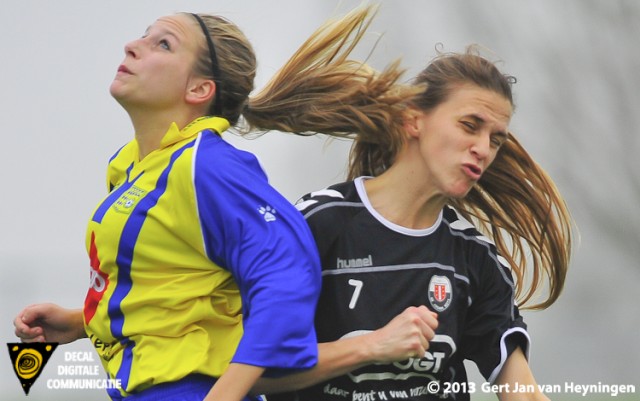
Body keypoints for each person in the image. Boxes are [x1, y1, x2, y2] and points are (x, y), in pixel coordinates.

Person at [14, 5, 438, 401]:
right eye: (145, 36)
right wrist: (80, 322)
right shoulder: (132, 166)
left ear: (200, 88)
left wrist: (224, 394)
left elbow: (285, 275)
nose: (132, 45)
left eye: (164, 43)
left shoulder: (205, 165)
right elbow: (178, 291)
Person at [246, 46, 573, 400]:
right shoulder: (317, 224)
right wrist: (372, 346)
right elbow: (249, 370)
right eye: (469, 125)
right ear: (413, 120)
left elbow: (522, 393)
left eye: (495, 140)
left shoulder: (476, 258)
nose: (483, 148)